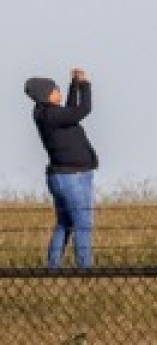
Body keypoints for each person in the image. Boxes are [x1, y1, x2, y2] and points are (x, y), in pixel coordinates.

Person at [26, 68, 97, 269]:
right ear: (45, 94)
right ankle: (85, 270)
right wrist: (84, 85)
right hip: (72, 177)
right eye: (56, 91)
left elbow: (70, 111)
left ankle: (52, 268)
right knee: (82, 224)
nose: (60, 94)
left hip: (64, 176)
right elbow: (82, 110)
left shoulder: (47, 114)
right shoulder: (52, 115)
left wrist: (74, 86)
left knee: (65, 224)